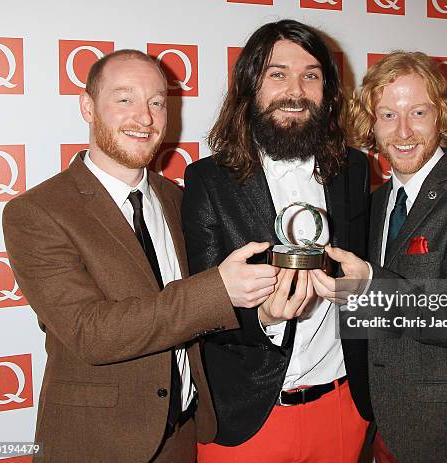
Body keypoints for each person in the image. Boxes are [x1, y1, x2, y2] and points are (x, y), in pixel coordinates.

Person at [2, 49, 278, 462]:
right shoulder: (38, 212)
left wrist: (264, 313)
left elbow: (197, 316)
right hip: (96, 445)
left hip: (183, 436)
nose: (145, 118)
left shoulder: (177, 200)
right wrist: (220, 290)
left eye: (156, 103)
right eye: (124, 98)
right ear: (87, 107)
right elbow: (90, 333)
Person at [312, 51, 447, 462]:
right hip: (381, 425)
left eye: (418, 112)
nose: (403, 131)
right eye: (387, 115)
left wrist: (370, 286)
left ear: (442, 115)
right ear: (371, 122)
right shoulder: (373, 203)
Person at [181, 20, 372, 463]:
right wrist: (262, 315)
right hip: (249, 418)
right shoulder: (207, 180)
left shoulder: (356, 170)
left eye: (311, 75)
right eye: (277, 74)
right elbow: (198, 307)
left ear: (328, 90)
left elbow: (363, 280)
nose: (296, 90)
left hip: (343, 408)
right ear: (250, 86)